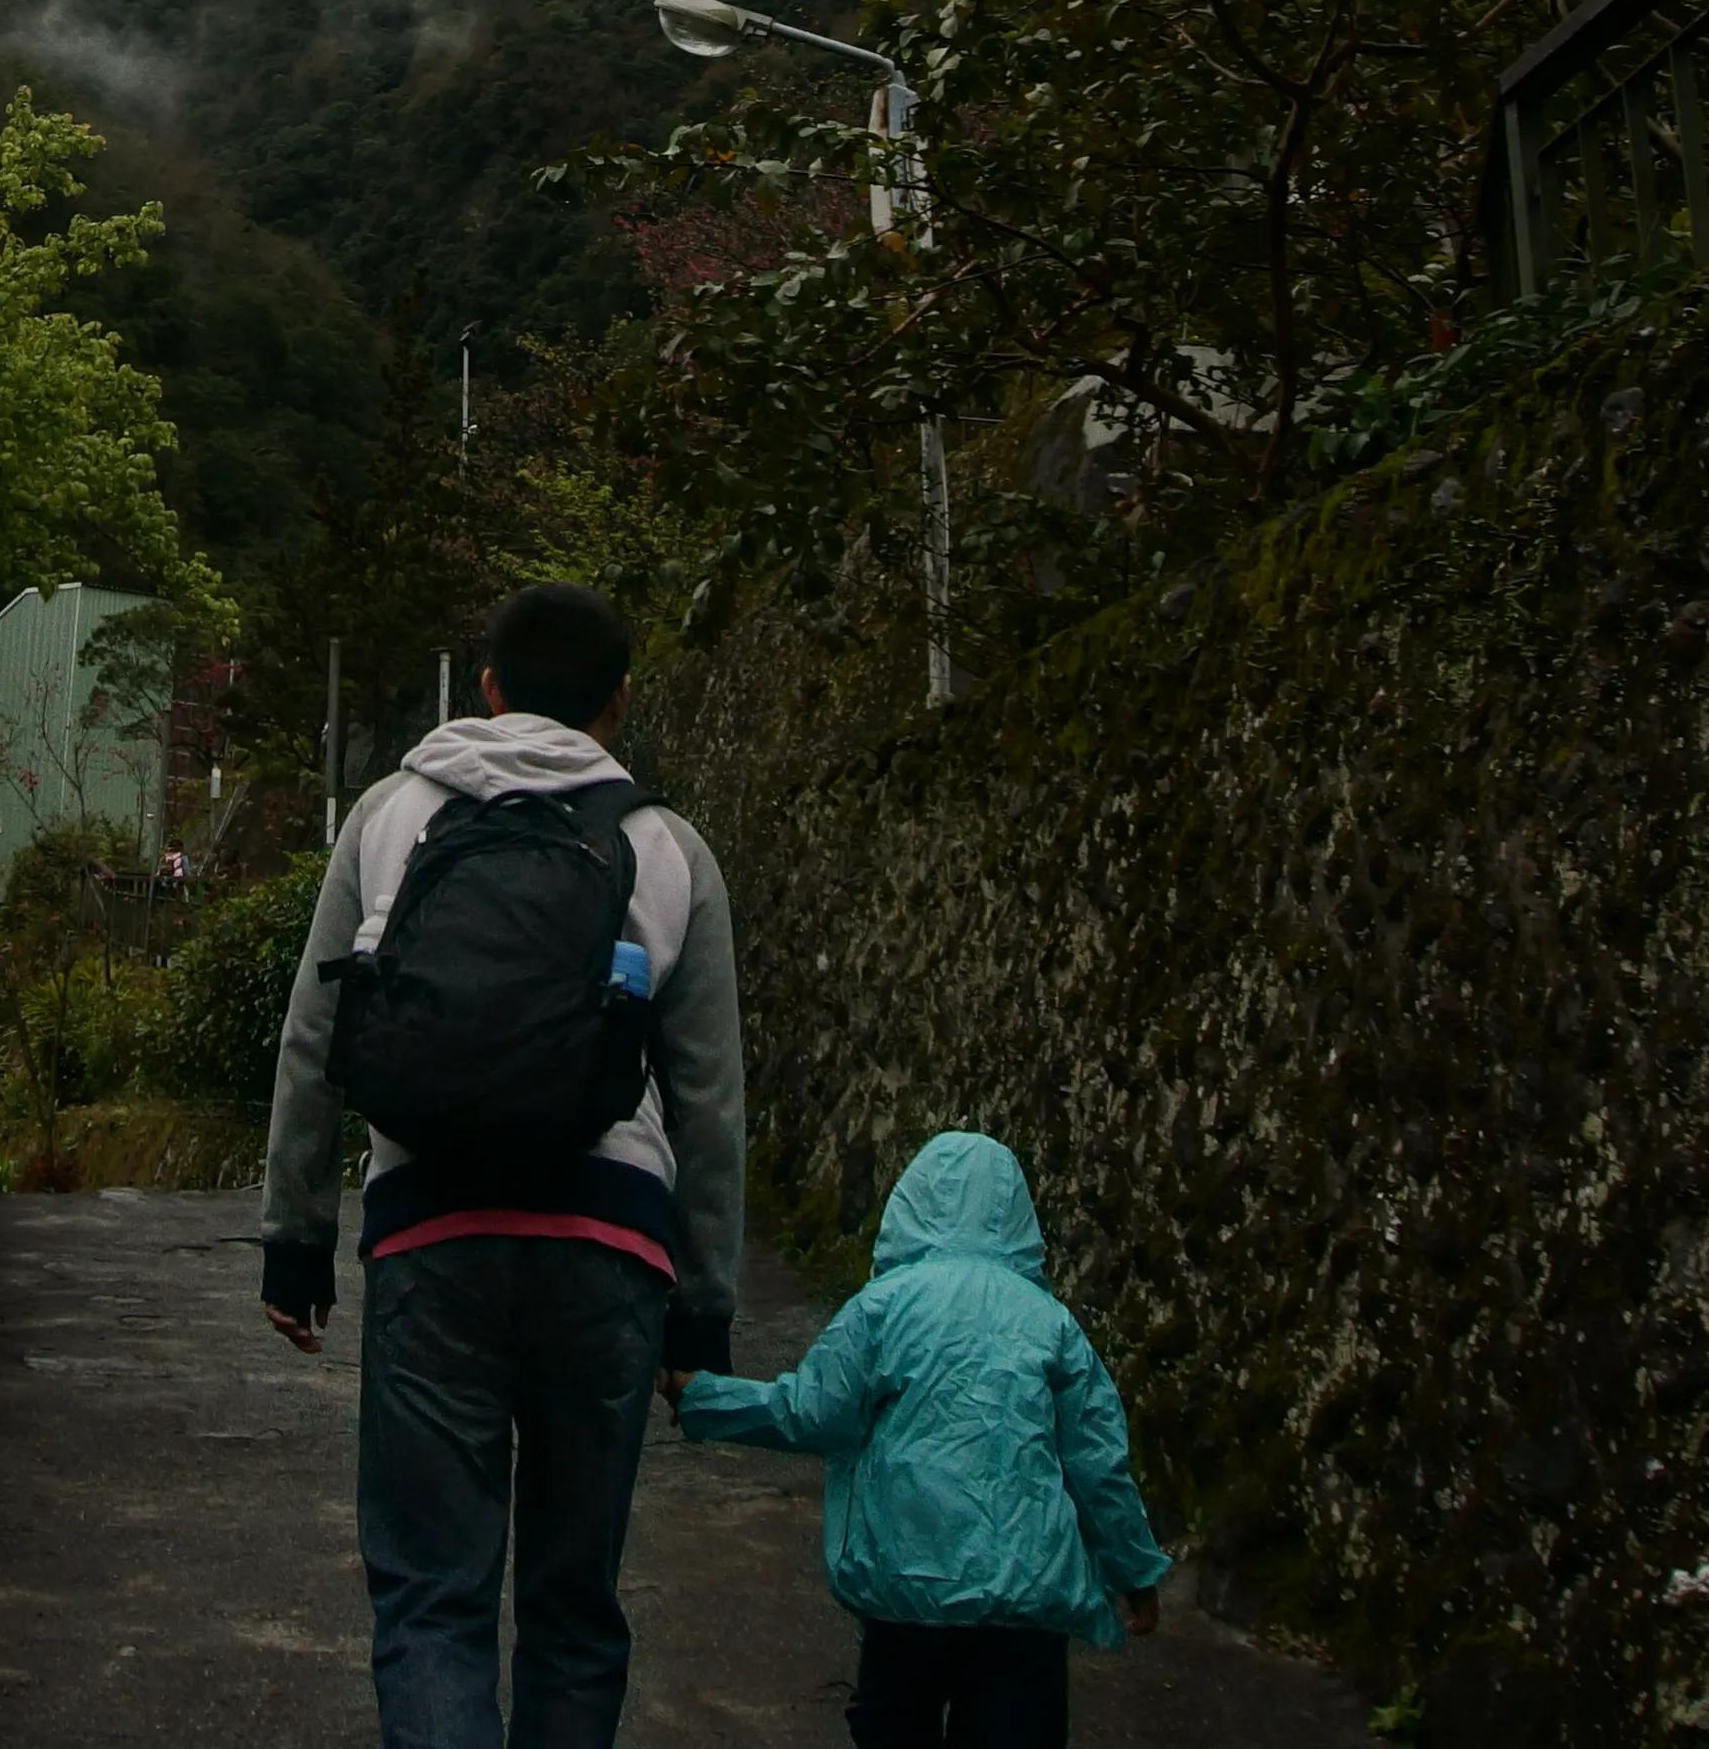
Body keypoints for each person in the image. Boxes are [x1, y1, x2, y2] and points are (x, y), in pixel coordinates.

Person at [260, 582, 747, 1749]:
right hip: (611, 1245)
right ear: (618, 704)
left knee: (434, 1595)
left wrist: (294, 1241)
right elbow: (709, 1102)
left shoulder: (387, 816)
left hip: (433, 1230)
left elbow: (313, 1039)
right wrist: (704, 1317)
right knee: (573, 1608)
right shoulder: (666, 849)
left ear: (484, 689)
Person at [674, 1131, 1171, 1749]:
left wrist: (703, 1395)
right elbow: (1098, 1463)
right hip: (1023, 1602)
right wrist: (1133, 1571)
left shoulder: (882, 1309)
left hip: (907, 1589)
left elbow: (808, 1412)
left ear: (911, 1204)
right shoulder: (1051, 1323)